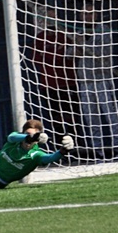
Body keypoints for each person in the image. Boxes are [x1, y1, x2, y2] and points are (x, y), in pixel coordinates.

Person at [68, 3, 118, 161]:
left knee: (110, 115)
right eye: (84, 14)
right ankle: (98, 153)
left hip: (101, 79)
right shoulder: (78, 32)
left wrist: (83, 44)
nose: (87, 17)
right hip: (85, 81)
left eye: (90, 14)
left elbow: (101, 53)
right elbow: (69, 54)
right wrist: (78, 44)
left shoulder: (103, 31)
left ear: (96, 15)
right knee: (91, 119)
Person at [31, 7, 78, 137]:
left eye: (54, 18)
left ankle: (77, 144)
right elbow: (36, 59)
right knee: (56, 118)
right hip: (49, 84)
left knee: (72, 117)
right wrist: (57, 53)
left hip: (68, 82)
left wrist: (50, 55)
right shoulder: (40, 38)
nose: (52, 21)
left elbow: (71, 54)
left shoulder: (65, 36)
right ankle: (60, 145)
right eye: (49, 18)